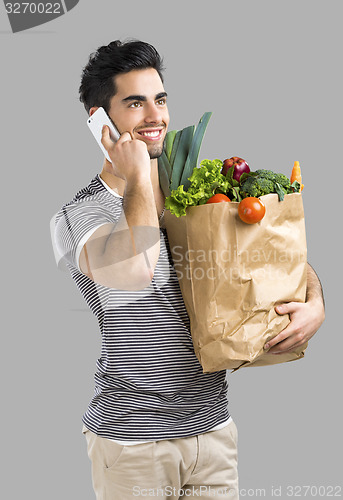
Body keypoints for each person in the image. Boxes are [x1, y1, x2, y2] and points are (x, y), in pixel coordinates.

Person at [53, 39, 325, 500]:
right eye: (134, 103)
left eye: (159, 99)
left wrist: (315, 301)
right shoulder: (80, 217)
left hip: (214, 432)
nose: (155, 116)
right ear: (99, 120)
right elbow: (137, 266)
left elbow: (274, 253)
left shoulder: (197, 195)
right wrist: (138, 176)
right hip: (131, 443)